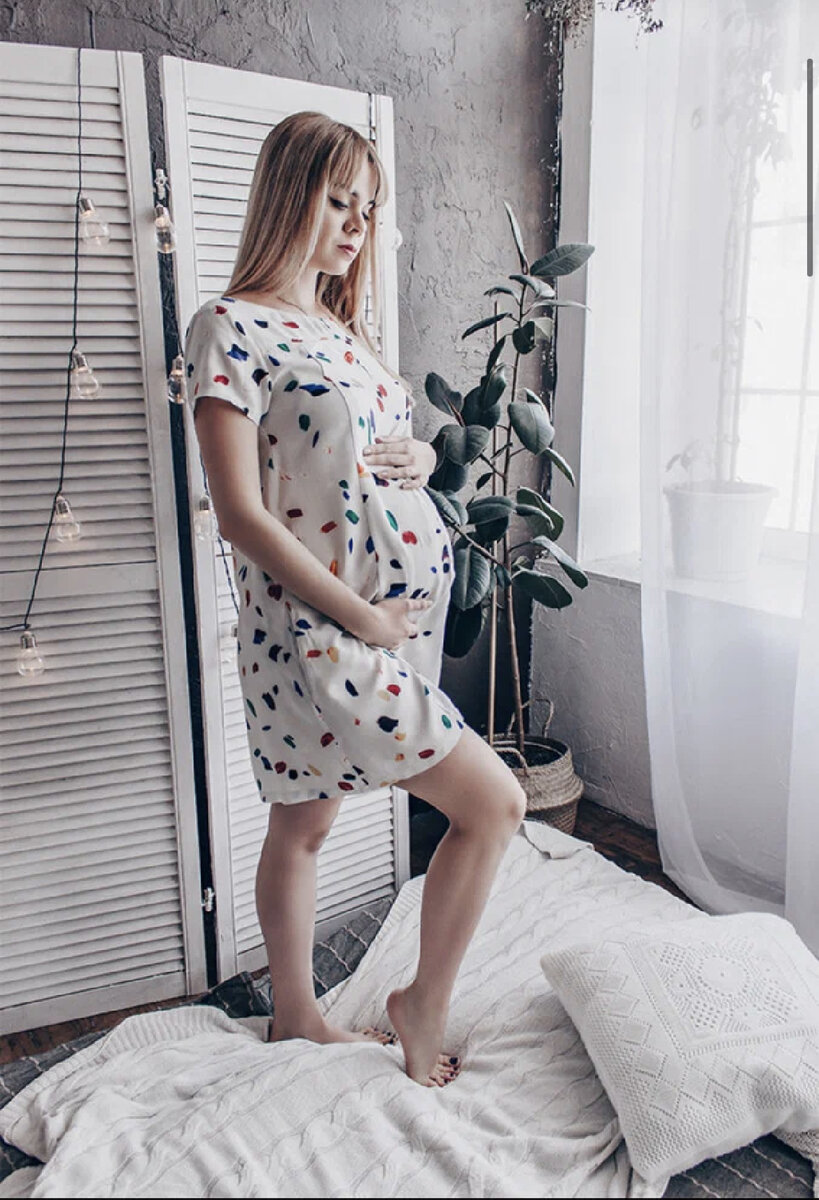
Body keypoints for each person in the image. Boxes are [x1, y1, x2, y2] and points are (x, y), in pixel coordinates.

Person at [184, 111, 526, 1089]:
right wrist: (362, 616)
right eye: (338, 201)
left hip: (381, 633)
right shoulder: (228, 328)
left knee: (307, 824)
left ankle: (295, 1015)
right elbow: (241, 513)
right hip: (314, 637)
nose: (355, 226)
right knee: (492, 804)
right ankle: (411, 1006)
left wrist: (416, 453)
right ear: (289, 194)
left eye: (367, 209)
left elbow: (365, 458)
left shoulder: (342, 330)